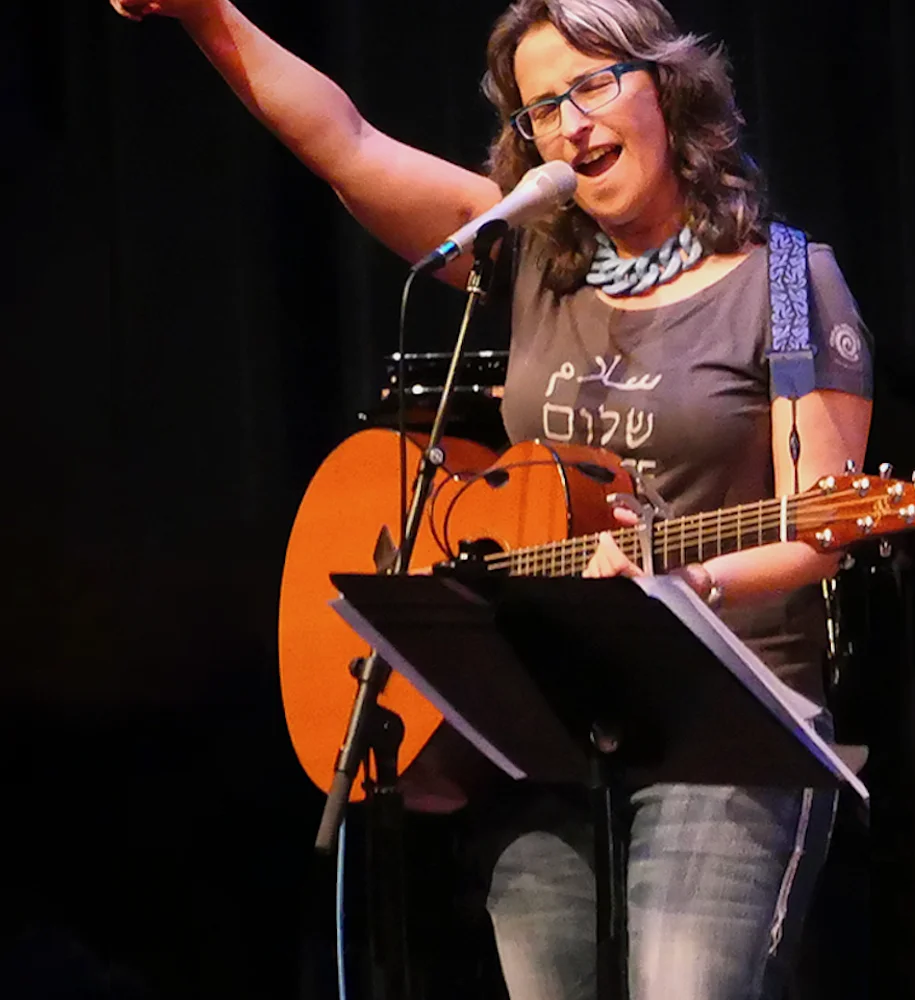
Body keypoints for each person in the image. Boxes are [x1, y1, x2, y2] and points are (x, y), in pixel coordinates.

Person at [110, 1, 873, 997]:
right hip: (540, 724)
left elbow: (820, 528)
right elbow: (346, 145)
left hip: (723, 727)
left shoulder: (788, 282)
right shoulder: (529, 254)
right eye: (542, 108)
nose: (572, 125)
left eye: (592, 86)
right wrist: (207, 16)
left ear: (668, 87)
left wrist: (685, 581)